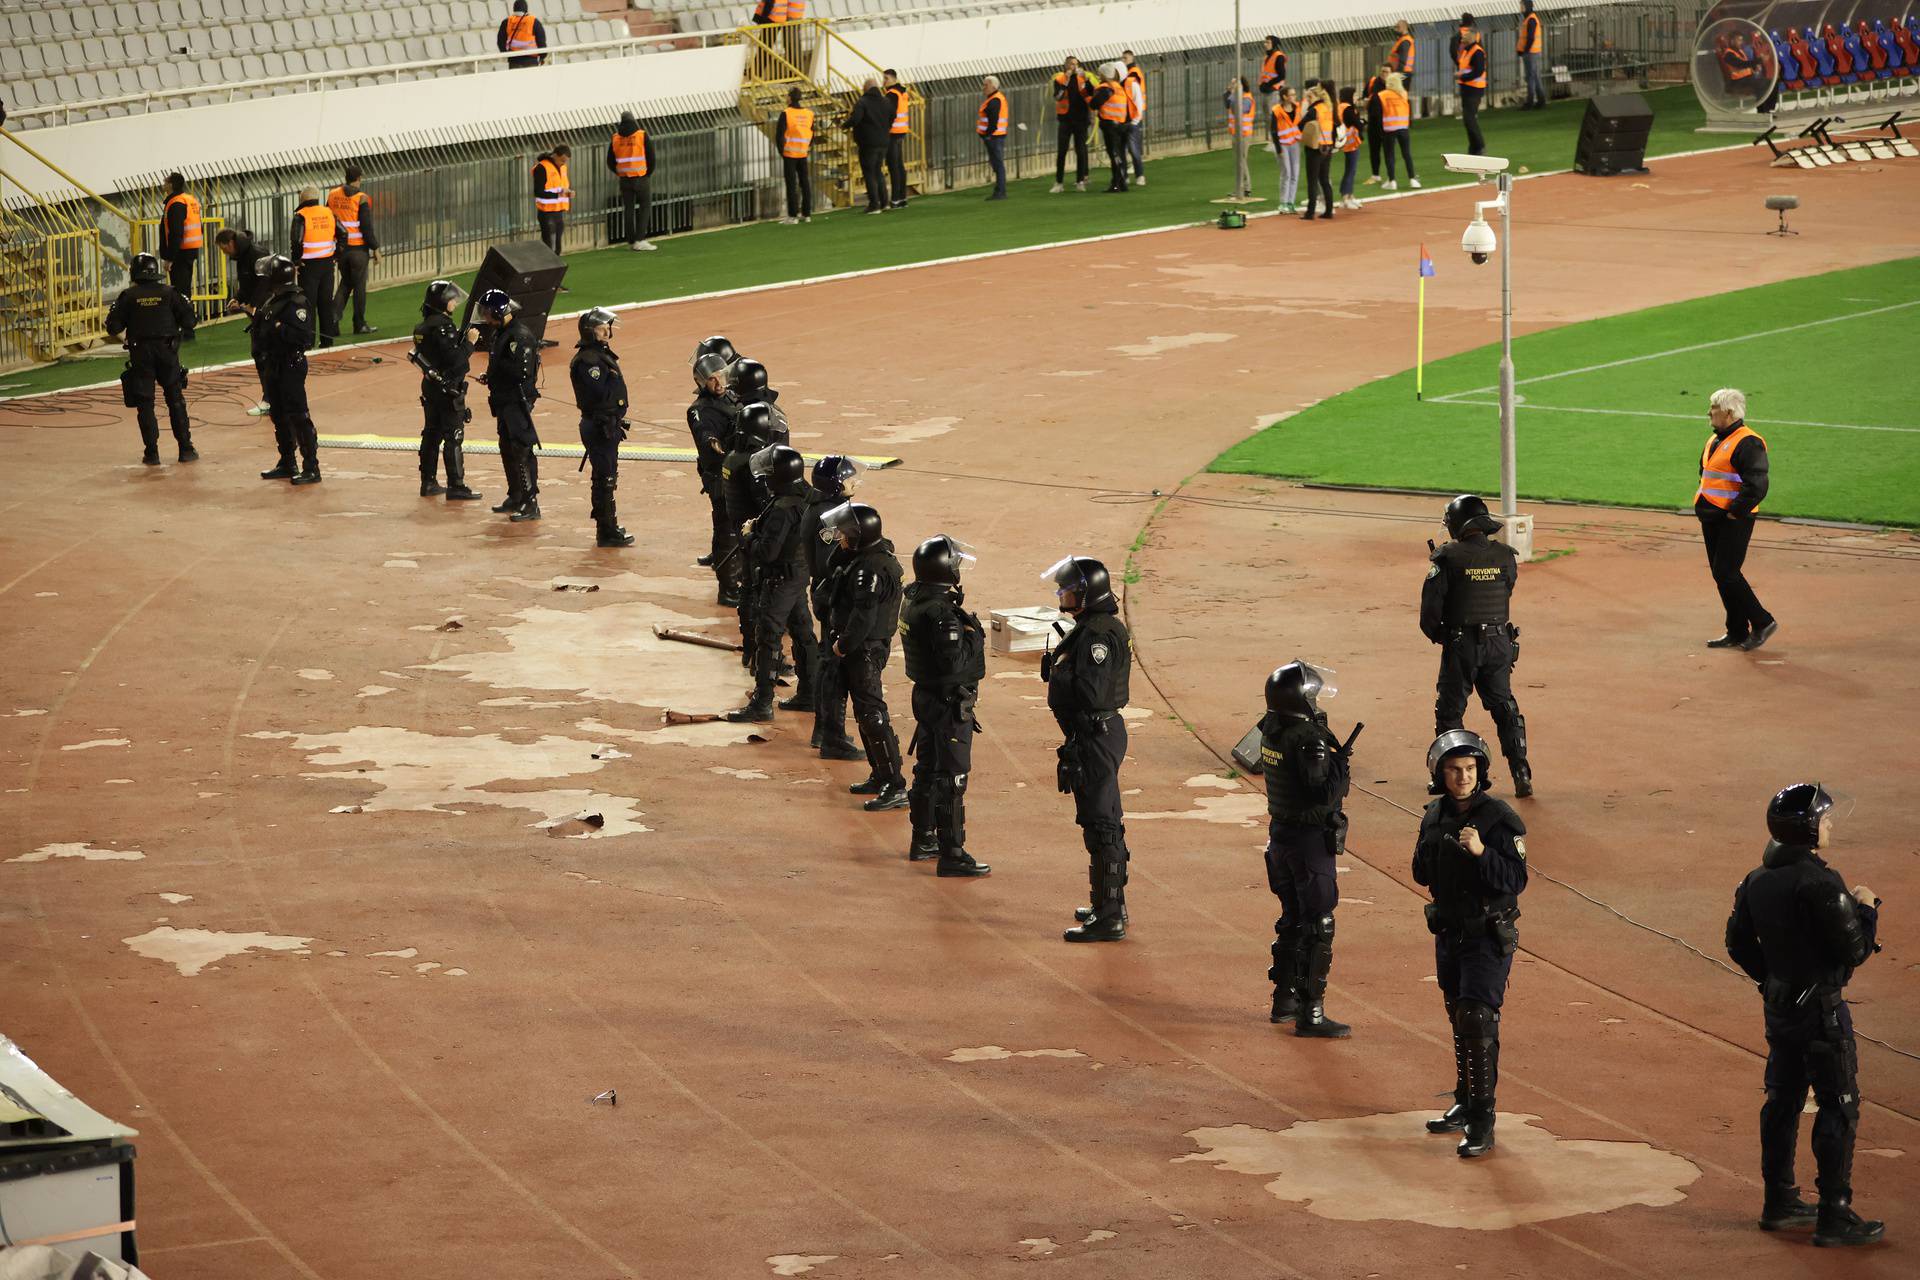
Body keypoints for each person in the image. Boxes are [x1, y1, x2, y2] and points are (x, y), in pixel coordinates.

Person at [1726, 783, 1885, 1247]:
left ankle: (1779, 1201)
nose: (1831, 825)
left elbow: (1737, 943)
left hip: (1780, 1012)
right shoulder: (1820, 883)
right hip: (1822, 1013)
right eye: (1826, 819)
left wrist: (1774, 979)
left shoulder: (1756, 879)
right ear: (1809, 829)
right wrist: (1867, 907)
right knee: (1839, 1104)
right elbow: (1853, 950)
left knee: (1782, 1100)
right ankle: (1834, 1215)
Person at [1414, 729, 1528, 1158]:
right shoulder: (1433, 815)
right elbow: (1420, 874)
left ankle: (1483, 1121)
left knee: (1478, 1017)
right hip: (1448, 931)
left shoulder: (1500, 819)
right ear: (1439, 774)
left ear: (1480, 772)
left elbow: (1517, 880)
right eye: (1453, 769)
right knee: (1457, 1015)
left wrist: (1482, 853)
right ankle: (1464, 1101)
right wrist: (1434, 851)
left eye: (1470, 769)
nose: (1462, 777)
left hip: (1485, 933)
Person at [1259, 661, 1355, 1037]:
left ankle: (1284, 1000)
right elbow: (1323, 792)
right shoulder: (1310, 739)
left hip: (1280, 836)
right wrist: (1340, 767)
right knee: (1319, 924)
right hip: (1309, 841)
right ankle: (1311, 1013)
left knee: (1292, 919)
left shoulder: (1271, 730)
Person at [1042, 556, 1132, 942]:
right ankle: (1107, 902)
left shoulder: (1096, 635)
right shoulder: (1089, 627)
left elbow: (1091, 694)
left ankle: (1109, 915)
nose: (1064, 595)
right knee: (1100, 819)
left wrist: (1060, 674)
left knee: (1102, 824)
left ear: (1088, 593)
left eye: (1070, 590)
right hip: (1093, 735)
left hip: (1096, 734)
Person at [1422, 494, 1532, 797]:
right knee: (1504, 706)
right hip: (1499, 643)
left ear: (1457, 524)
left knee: (1450, 712)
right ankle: (1521, 771)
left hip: (1462, 645)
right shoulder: (1505, 556)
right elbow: (1506, 590)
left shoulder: (1446, 558)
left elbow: (1429, 616)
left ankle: (1447, 777)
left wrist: (1448, 637)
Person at [901, 535, 991, 878]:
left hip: (926, 697)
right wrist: (973, 635)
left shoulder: (914, 599)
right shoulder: (942, 614)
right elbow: (953, 663)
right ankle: (952, 852)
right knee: (952, 777)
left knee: (927, 768)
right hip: (948, 702)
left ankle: (923, 837)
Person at [822, 502, 908, 810]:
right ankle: (879, 774)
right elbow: (832, 567)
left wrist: (842, 646)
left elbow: (863, 618)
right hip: (860, 647)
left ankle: (895, 783)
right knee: (863, 712)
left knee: (872, 714)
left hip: (865, 650)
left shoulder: (871, 569)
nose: (840, 538)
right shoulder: (863, 557)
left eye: (845, 534)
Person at [728, 443, 820, 721]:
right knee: (803, 632)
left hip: (780, 579)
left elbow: (767, 552)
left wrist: (748, 535)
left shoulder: (782, 507)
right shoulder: (809, 495)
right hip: (800, 574)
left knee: (768, 637)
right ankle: (809, 693)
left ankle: (762, 702)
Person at [1697, 387, 1778, 651]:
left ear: (1729, 412)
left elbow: (1757, 485)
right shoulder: (1715, 439)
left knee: (1727, 573)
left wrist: (1735, 512)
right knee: (1721, 575)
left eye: (1714, 408)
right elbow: (1706, 472)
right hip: (1712, 516)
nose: (1709, 412)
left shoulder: (1748, 442)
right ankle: (1737, 630)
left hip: (1734, 519)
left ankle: (1763, 621)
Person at [104, 253, 198, 467]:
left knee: (145, 404)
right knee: (175, 399)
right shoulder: (170, 293)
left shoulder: (128, 296)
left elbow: (113, 327)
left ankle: (152, 452)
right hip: (168, 351)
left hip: (141, 353)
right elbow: (190, 321)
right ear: (155, 271)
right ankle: (186, 448)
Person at [803, 456, 866, 762]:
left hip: (822, 590)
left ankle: (824, 730)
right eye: (851, 478)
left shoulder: (815, 507)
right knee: (835, 668)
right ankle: (832, 736)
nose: (856, 482)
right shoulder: (832, 516)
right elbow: (837, 559)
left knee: (829, 664)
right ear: (837, 484)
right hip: (833, 595)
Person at [410, 279, 482, 502]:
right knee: (454, 435)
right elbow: (455, 360)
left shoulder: (422, 327)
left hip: (430, 387)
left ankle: (428, 481)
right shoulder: (443, 326)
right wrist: (470, 343)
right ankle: (456, 485)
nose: (454, 302)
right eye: (450, 299)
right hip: (447, 388)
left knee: (431, 433)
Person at [722, 398, 781, 657]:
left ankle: (750, 648)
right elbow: (766, 501)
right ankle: (761, 654)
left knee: (748, 589)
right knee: (761, 594)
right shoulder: (752, 465)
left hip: (742, 531)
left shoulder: (733, 457)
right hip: (756, 534)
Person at [570, 307, 633, 547]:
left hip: (606, 424)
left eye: (608, 327)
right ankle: (606, 531)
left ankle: (608, 526)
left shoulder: (599, 355)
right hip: (599, 425)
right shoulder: (589, 360)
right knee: (604, 478)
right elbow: (598, 393)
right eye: (601, 328)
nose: (607, 331)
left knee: (606, 476)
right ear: (589, 332)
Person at [477, 288, 542, 521]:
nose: (485, 317)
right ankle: (516, 495)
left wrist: (496, 373)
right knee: (506, 446)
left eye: (487, 312)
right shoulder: (502, 333)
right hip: (504, 399)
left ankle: (530, 501)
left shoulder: (519, 336)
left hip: (517, 399)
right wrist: (490, 376)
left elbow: (521, 372)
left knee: (521, 448)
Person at [256, 255, 322, 485]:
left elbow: (304, 338)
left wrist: (278, 328)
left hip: (290, 363)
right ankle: (287, 462)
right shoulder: (273, 300)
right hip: (273, 363)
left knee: (298, 415)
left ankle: (311, 467)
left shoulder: (296, 302)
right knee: (278, 414)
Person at [688, 341, 742, 602]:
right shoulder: (699, 410)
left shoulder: (732, 397)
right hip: (720, 477)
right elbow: (706, 437)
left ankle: (735, 579)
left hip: (736, 474)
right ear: (701, 383)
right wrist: (716, 442)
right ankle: (728, 588)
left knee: (736, 527)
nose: (718, 383)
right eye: (711, 380)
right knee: (727, 531)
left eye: (720, 376)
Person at [215, 227, 273, 416]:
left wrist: (254, 306)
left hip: (267, 311)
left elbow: (264, 283)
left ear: (230, 243)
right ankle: (271, 398)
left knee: (265, 354)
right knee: (260, 354)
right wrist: (237, 298)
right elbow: (246, 284)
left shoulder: (256, 254)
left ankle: (270, 399)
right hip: (259, 312)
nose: (224, 253)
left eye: (224, 249)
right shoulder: (243, 256)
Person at [326, 166, 381, 335]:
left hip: (340, 249)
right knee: (359, 287)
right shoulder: (361, 198)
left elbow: (328, 217)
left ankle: (332, 322)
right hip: (358, 249)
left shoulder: (333, 195)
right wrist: (375, 248)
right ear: (358, 178)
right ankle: (359, 324)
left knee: (345, 284)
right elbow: (366, 227)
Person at [289, 188, 338, 347]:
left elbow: (296, 241)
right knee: (326, 303)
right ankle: (327, 341)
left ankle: (308, 342)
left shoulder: (301, 216)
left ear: (302, 199)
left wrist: (296, 260)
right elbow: (343, 234)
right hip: (327, 264)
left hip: (308, 265)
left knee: (308, 304)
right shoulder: (328, 212)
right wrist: (335, 254)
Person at [607, 111, 658, 251]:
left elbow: (610, 161)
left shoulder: (615, 138)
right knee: (645, 207)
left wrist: (620, 172)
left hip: (624, 179)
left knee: (628, 209)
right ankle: (640, 240)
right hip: (641, 177)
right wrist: (647, 174)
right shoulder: (641, 135)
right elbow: (651, 157)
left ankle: (630, 240)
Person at [845, 77, 894, 215]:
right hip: (884, 141)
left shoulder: (863, 102)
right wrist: (885, 128)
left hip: (868, 143)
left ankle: (874, 204)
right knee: (878, 171)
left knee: (869, 173)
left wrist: (845, 124)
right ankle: (884, 202)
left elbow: (855, 119)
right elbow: (893, 115)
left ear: (866, 89)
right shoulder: (885, 101)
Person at [1050, 56, 1093, 193]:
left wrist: (1087, 80)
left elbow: (1091, 93)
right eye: (1071, 64)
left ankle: (1080, 181)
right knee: (1062, 151)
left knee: (1080, 150)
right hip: (1065, 119)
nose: (1073, 66)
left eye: (1076, 64)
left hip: (1081, 119)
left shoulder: (1082, 79)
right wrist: (1066, 82)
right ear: (1066, 66)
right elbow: (1058, 96)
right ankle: (1059, 182)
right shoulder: (1060, 79)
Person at [158, 173, 202, 305]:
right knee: (184, 289)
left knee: (180, 291)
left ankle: (184, 321)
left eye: (165, 181)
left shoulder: (176, 203)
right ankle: (186, 319)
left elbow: (176, 232)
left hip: (180, 253)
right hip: (190, 250)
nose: (163, 183)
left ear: (171, 185)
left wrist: (170, 258)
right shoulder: (189, 199)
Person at [776, 87, 815, 224]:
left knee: (791, 184)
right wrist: (806, 147)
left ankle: (792, 215)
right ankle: (807, 213)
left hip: (790, 153)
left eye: (787, 96)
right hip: (803, 152)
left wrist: (782, 151)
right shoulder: (809, 114)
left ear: (790, 98)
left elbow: (779, 135)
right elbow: (812, 133)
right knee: (805, 183)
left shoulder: (786, 113)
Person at [1090, 65, 1132, 193]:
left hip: (1111, 126)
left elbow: (1094, 103)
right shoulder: (1117, 86)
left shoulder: (1106, 89)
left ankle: (1116, 184)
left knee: (1114, 156)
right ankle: (1122, 183)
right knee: (1119, 155)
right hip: (1122, 125)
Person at [1300, 84, 1336, 221]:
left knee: (1312, 181)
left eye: (1310, 97)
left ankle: (1310, 212)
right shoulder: (1327, 108)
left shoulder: (1313, 110)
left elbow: (1300, 125)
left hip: (1315, 148)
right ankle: (1329, 210)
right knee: (1325, 180)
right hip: (1327, 147)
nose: (1308, 100)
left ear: (1316, 97)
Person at [1379, 72, 1420, 190]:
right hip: (1403, 128)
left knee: (1389, 155)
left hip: (1389, 128)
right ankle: (1412, 179)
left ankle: (1392, 181)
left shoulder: (1383, 95)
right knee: (1407, 154)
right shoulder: (1404, 94)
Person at [532, 145, 572, 256]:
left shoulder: (563, 167)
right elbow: (538, 192)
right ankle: (545, 267)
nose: (564, 163)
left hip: (558, 211)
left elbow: (560, 186)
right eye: (562, 160)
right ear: (555, 155)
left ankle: (554, 268)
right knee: (549, 246)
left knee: (557, 247)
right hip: (546, 212)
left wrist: (568, 192)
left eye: (566, 161)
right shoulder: (542, 168)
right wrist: (558, 194)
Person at [1456, 24, 1488, 156]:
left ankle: (1480, 146)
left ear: (1473, 36)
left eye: (1466, 33)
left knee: (1469, 119)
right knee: (1468, 120)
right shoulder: (1466, 50)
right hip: (1466, 89)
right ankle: (1474, 147)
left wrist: (1462, 76)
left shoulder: (1477, 51)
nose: (1463, 35)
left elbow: (1479, 71)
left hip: (1474, 90)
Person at [1269, 85, 1301, 213]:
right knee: (1286, 173)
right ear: (1285, 97)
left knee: (1295, 174)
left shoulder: (1297, 107)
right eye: (1292, 94)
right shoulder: (1277, 110)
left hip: (1295, 144)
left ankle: (1291, 202)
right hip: (1282, 145)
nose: (1294, 96)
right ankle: (1283, 203)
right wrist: (1278, 149)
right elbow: (1273, 130)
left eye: (1294, 94)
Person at [882, 69, 911, 208]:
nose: (884, 82)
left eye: (886, 78)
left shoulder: (892, 94)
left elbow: (890, 113)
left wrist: (884, 127)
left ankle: (895, 199)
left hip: (893, 132)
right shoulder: (902, 92)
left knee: (894, 166)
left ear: (893, 79)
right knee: (899, 166)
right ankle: (902, 197)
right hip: (902, 130)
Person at [977, 76, 1009, 201]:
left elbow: (993, 122)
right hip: (995, 136)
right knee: (996, 164)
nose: (983, 87)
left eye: (986, 85)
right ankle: (999, 191)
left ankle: (1000, 192)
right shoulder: (994, 99)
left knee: (998, 164)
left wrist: (987, 136)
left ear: (994, 86)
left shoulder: (995, 100)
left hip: (994, 137)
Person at [1224, 76, 1255, 199]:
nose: (1232, 85)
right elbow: (1227, 104)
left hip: (1243, 134)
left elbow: (1238, 109)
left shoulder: (1246, 98)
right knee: (1240, 161)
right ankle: (1242, 187)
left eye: (1234, 83)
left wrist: (1233, 95)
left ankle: (1245, 188)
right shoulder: (1236, 97)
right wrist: (1229, 92)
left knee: (1241, 161)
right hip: (1236, 133)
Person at [1361, 64, 1389, 186]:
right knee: (1374, 150)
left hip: (1387, 123)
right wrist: (1365, 102)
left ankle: (1391, 177)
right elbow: (1364, 96)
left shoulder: (1392, 86)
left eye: (1387, 72)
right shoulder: (1373, 82)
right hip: (1373, 121)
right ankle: (1375, 175)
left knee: (1388, 151)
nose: (1384, 74)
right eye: (1383, 71)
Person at [1337, 87, 1364, 210]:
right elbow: (1356, 123)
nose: (1356, 97)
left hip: (1346, 141)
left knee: (1351, 170)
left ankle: (1349, 195)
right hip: (1350, 142)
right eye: (1354, 95)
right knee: (1351, 170)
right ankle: (1345, 198)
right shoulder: (1348, 108)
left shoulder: (1341, 106)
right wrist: (1362, 123)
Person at [1122, 50, 1147, 185]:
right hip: (1129, 115)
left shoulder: (1133, 73)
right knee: (1126, 148)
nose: (1123, 60)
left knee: (1133, 147)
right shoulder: (1128, 74)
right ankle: (1127, 174)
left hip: (1135, 114)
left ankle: (1139, 174)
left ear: (1132, 58)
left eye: (1126, 57)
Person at [498, 1, 547, 68]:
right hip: (531, 61)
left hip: (514, 61)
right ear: (526, 9)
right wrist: (542, 57)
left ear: (514, 8)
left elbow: (500, 42)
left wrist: (507, 54)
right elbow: (541, 42)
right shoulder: (534, 21)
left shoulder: (506, 22)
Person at [1517, 0, 1547, 109]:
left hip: (1530, 53)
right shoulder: (1529, 19)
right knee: (1535, 76)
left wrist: (1525, 50)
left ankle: (1530, 102)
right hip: (1532, 52)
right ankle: (1541, 100)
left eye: (1521, 5)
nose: (1520, 7)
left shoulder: (1531, 19)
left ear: (1526, 6)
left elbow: (1530, 37)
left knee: (1530, 77)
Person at [1258, 35, 1288, 110]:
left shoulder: (1279, 56)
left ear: (1274, 44)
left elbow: (1282, 76)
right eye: (1265, 42)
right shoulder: (1267, 57)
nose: (1265, 44)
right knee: (1267, 114)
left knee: (1272, 114)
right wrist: (1262, 85)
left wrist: (1268, 84)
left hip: (1275, 90)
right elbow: (1264, 74)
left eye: (1268, 42)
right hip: (1267, 89)